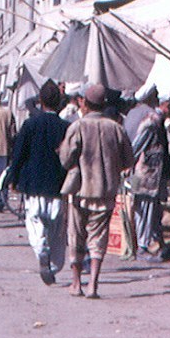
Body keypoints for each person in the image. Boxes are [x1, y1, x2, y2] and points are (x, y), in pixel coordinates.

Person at [59, 82, 135, 298]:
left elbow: (66, 159)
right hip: (106, 191)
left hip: (80, 190)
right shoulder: (116, 128)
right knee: (99, 237)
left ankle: (76, 283)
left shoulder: (77, 127)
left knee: (76, 235)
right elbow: (128, 159)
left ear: (84, 102)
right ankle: (93, 283)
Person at [8, 79, 69, 285]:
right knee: (57, 228)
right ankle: (54, 265)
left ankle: (41, 252)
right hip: (58, 185)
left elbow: (19, 154)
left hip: (34, 183)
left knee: (35, 221)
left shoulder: (30, 124)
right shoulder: (65, 127)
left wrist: (12, 178)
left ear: (40, 100)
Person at [129, 90, 170, 259]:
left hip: (146, 173)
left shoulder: (156, 121)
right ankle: (144, 246)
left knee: (148, 209)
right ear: (167, 105)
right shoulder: (153, 122)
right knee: (144, 209)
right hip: (145, 174)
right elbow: (137, 146)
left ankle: (150, 243)